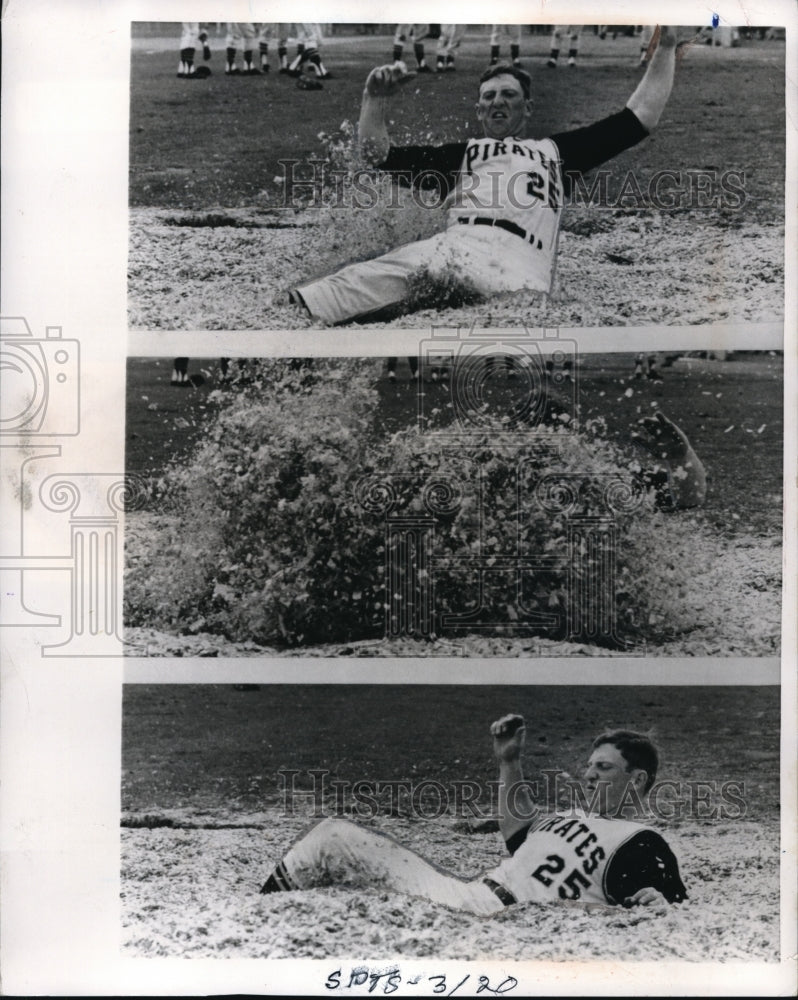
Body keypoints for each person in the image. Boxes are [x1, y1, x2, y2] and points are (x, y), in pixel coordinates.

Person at [288, 26, 679, 325]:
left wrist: (665, 48)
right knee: (322, 297)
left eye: (508, 95)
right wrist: (373, 100)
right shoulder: (463, 155)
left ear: (527, 108)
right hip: (455, 250)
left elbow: (639, 118)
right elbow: (379, 156)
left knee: (513, 338)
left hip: (522, 264)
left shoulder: (559, 153)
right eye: (489, 96)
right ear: (478, 111)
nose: (498, 101)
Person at [260, 714, 687, 911]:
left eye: (604, 768)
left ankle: (255, 915)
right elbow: (518, 835)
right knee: (334, 845)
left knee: (334, 837)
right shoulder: (573, 816)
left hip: (491, 914)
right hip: (473, 899)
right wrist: (509, 762)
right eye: (589, 765)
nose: (589, 775)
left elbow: (670, 902)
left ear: (638, 780)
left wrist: (658, 900)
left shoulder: (641, 840)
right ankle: (268, 912)